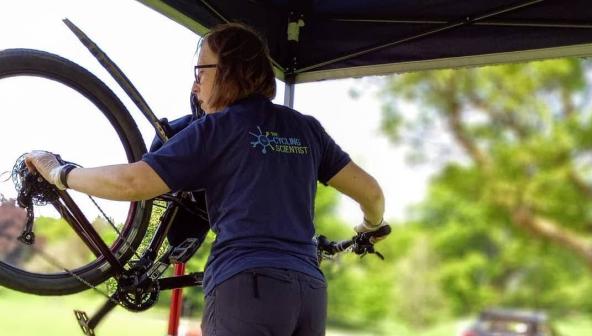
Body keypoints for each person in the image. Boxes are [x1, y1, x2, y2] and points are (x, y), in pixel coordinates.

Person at [25, 22, 389, 336]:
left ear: (229, 70)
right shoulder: (306, 128)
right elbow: (371, 192)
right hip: (309, 292)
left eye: (202, 71)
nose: (196, 84)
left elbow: (132, 183)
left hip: (248, 286)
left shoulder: (217, 129)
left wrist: (61, 173)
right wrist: (369, 226)